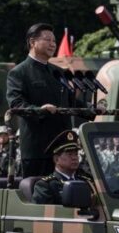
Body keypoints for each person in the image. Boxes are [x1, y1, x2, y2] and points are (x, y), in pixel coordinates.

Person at [6, 23, 89, 177]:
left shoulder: (58, 72)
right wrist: (40, 110)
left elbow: (71, 102)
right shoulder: (19, 72)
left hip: (63, 148)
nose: (53, 44)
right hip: (38, 149)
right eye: (48, 40)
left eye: (54, 41)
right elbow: (16, 104)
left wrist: (92, 110)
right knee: (38, 194)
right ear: (32, 42)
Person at [33, 130, 90, 204]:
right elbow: (42, 213)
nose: (74, 158)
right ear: (56, 159)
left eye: (76, 154)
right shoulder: (46, 186)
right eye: (69, 154)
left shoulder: (86, 181)